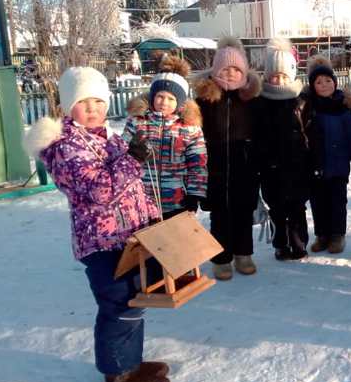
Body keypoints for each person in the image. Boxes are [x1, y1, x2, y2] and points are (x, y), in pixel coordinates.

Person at [23, 66, 169, 382]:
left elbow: (132, 186)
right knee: (118, 304)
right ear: (67, 107)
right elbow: (100, 192)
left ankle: (131, 363)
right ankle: (119, 379)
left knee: (134, 299)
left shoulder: (107, 137)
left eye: (99, 101)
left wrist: (151, 219)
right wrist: (132, 160)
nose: (93, 109)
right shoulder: (66, 146)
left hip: (129, 237)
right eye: (83, 102)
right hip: (102, 243)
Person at [194, 37, 262, 280]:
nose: (231, 73)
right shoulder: (205, 100)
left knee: (244, 214)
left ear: (243, 71)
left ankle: (244, 254)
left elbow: (263, 133)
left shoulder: (252, 99)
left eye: (236, 69)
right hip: (215, 168)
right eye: (225, 69)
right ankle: (221, 259)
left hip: (245, 167)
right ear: (215, 70)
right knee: (220, 216)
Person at [123, 55, 207, 219]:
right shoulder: (137, 121)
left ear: (180, 102)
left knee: (174, 244)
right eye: (160, 96)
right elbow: (123, 153)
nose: (164, 102)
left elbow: (198, 164)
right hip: (142, 201)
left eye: (171, 98)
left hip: (178, 201)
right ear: (153, 97)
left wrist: (194, 195)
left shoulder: (189, 128)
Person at [257, 38, 311, 260]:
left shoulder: (301, 101)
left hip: (298, 165)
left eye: (283, 75)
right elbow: (257, 134)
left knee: (297, 207)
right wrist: (263, 160)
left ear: (292, 75)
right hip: (272, 167)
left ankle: (299, 243)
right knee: (277, 209)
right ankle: (281, 244)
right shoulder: (261, 102)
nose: (278, 80)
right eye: (274, 75)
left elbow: (310, 130)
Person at [302, 56, 351, 254]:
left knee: (337, 202)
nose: (324, 85)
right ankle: (322, 234)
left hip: (338, 165)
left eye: (327, 80)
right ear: (312, 85)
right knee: (318, 202)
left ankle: (337, 235)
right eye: (318, 82)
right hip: (315, 165)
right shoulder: (308, 108)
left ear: (334, 82)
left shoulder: (344, 107)